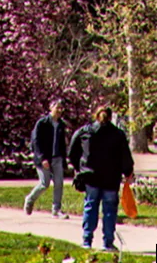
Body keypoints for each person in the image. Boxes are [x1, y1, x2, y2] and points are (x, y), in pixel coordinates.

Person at [68, 106, 136, 252]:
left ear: (96, 115)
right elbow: (125, 156)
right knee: (110, 210)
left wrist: (78, 167)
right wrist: (128, 172)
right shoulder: (117, 134)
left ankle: (87, 239)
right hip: (111, 178)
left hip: (91, 176)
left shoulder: (85, 132)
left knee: (90, 206)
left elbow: (72, 151)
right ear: (111, 117)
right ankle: (108, 242)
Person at [25, 100, 69, 218]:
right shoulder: (42, 123)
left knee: (59, 183)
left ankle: (56, 209)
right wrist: (42, 158)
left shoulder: (61, 125)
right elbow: (36, 142)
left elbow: (62, 143)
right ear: (51, 108)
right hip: (44, 158)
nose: (59, 111)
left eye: (61, 108)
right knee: (45, 183)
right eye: (57, 108)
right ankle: (30, 199)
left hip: (57, 158)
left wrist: (65, 159)